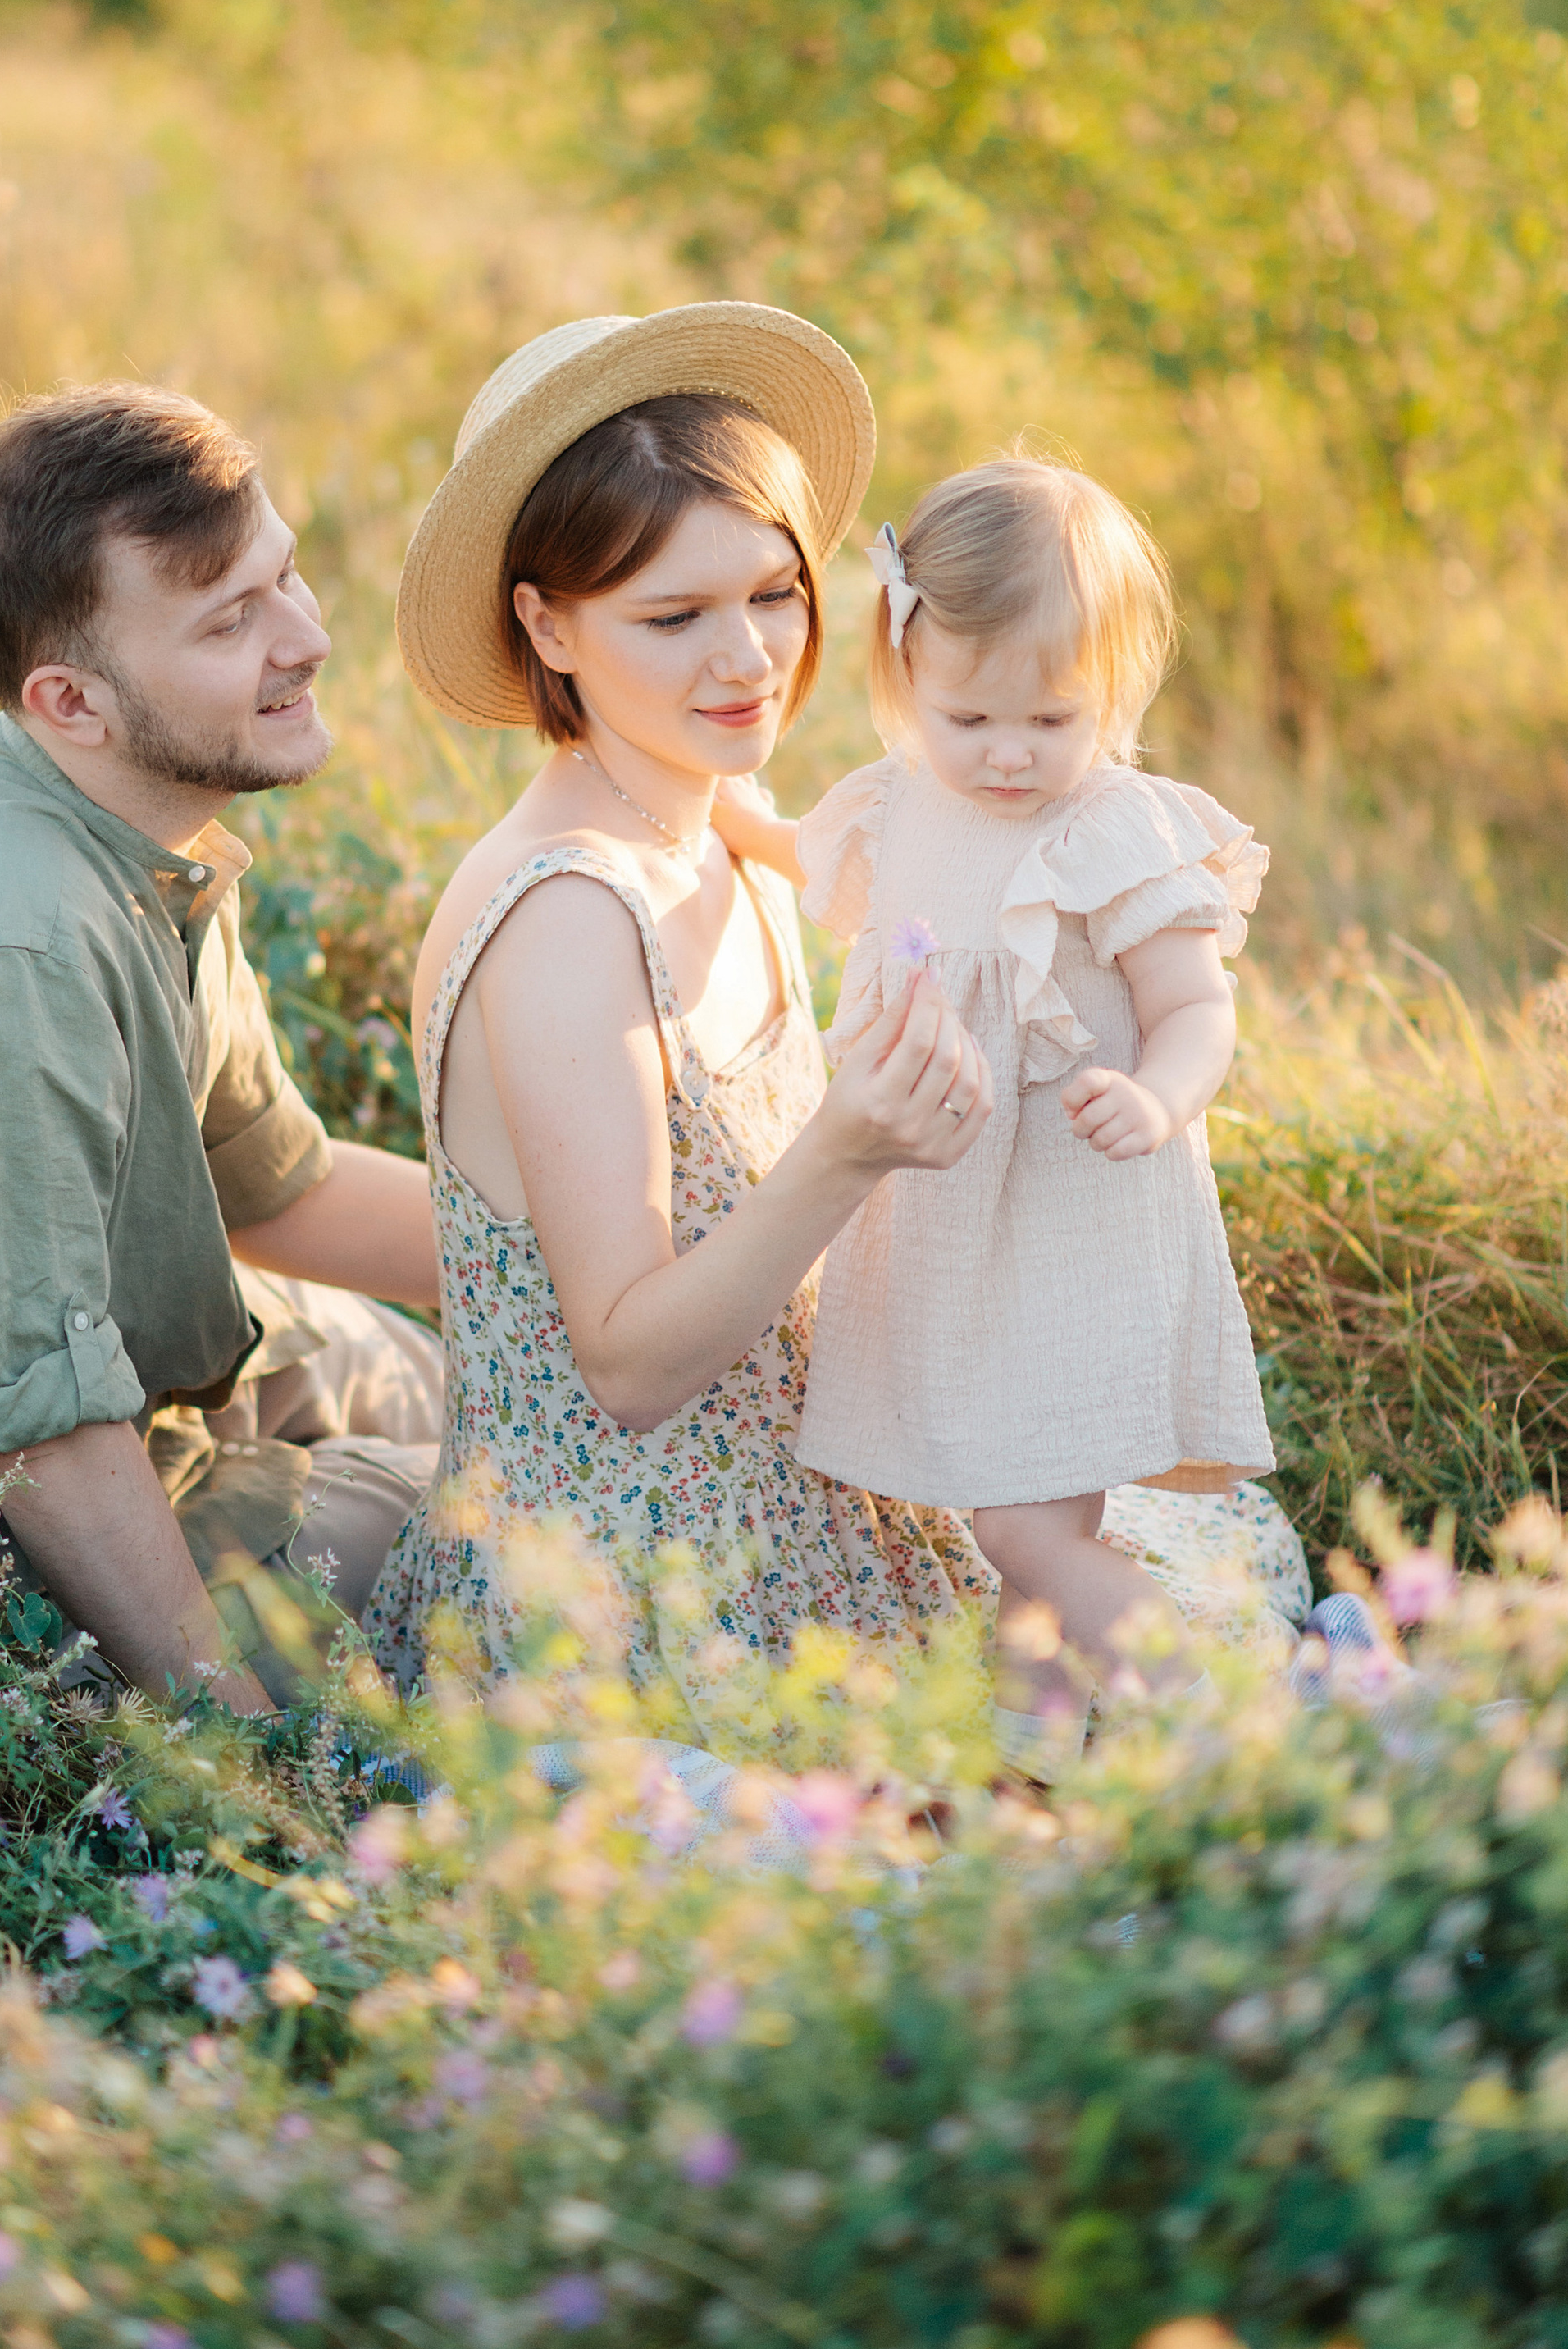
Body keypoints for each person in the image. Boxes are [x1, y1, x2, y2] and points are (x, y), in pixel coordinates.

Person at [0, 385, 444, 1715]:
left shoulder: (143, 825)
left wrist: (603, 1287)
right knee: (502, 1538)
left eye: (284, 578)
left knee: (483, 1378)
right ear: (71, 701)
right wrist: (242, 1760)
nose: (308, 639)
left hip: (148, 1377)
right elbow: (38, 1438)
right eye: (231, 621)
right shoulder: (16, 954)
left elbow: (274, 1187)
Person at [366, 303, 1001, 1731]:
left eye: (775, 594)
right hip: (631, 1602)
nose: (748, 662)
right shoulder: (566, 918)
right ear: (546, 622)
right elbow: (632, 1363)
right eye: (673, 618)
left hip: (811, 1516)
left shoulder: (708, 820)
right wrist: (847, 1150)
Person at [719, 454, 1310, 1780]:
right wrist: (726, 821)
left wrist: (1159, 1095)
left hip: (1070, 1222)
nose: (1005, 755)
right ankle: (1033, 1772)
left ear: (1113, 692)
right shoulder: (903, 801)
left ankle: (1237, 1716)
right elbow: (811, 853)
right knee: (1039, 1537)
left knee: (1023, 1526)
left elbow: (1198, 1008)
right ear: (906, 674)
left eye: (1051, 719)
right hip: (954, 1228)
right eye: (967, 716)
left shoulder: (1113, 831)